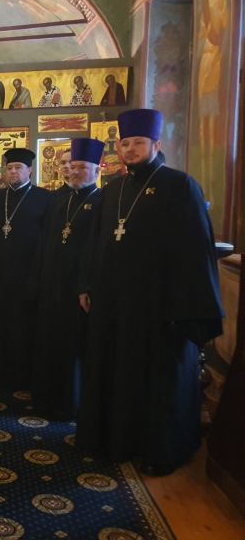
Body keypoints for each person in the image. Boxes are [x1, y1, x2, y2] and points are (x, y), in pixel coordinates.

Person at [77, 109, 223, 476]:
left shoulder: (179, 186)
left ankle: (160, 450)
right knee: (116, 371)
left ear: (156, 145)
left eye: (137, 143)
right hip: (113, 304)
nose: (129, 149)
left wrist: (183, 306)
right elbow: (96, 245)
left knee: (157, 380)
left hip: (158, 307)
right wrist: (88, 285)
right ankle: (115, 440)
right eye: (124, 143)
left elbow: (194, 251)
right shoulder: (112, 190)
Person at [32, 138, 103, 419]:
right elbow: (46, 244)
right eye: (72, 167)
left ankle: (71, 404)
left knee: (74, 347)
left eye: (82, 167)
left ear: (98, 170)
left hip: (79, 290)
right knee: (50, 343)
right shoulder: (61, 201)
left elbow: (98, 252)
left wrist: (88, 286)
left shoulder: (102, 203)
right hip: (52, 287)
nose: (74, 172)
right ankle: (46, 399)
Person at [0, 148, 52, 388]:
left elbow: (46, 239)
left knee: (23, 327)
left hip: (27, 274)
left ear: (29, 170)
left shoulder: (44, 198)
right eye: (9, 168)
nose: (13, 172)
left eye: (18, 168)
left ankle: (22, 373)